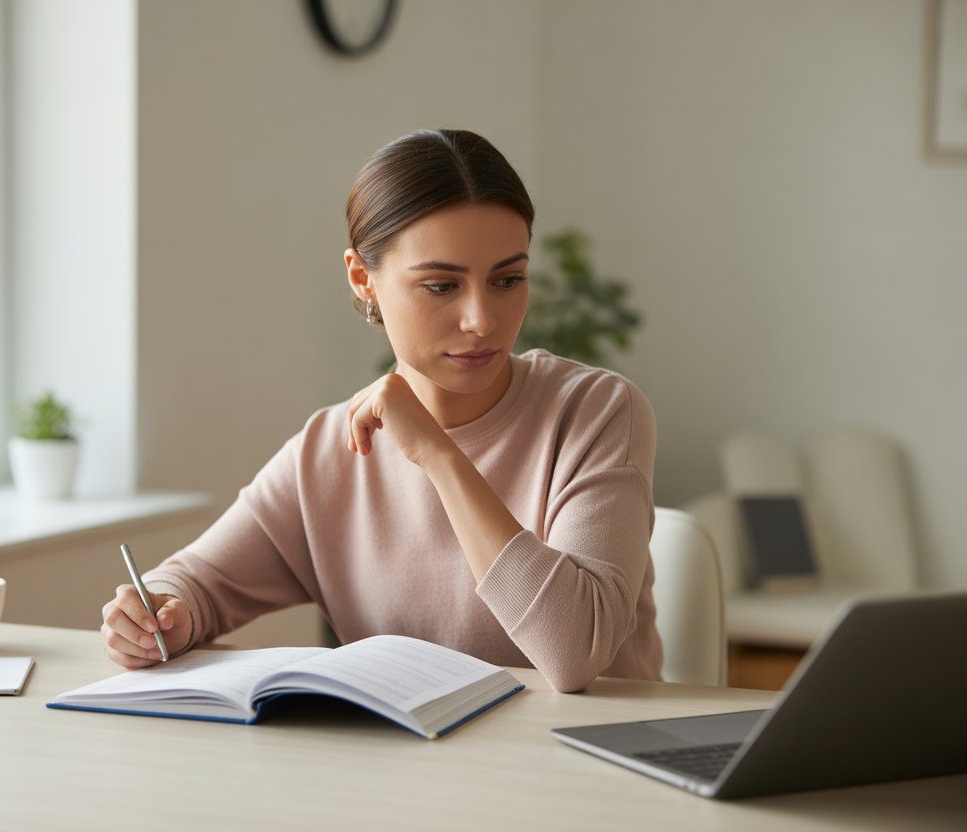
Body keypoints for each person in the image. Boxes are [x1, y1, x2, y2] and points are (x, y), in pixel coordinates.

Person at [101, 128, 662, 692]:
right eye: (441, 286)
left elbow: (573, 653)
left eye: (507, 279)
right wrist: (156, 617)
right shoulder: (329, 450)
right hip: (404, 772)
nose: (482, 320)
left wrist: (438, 455)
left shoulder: (597, 412)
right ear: (363, 279)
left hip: (585, 771)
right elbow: (195, 583)